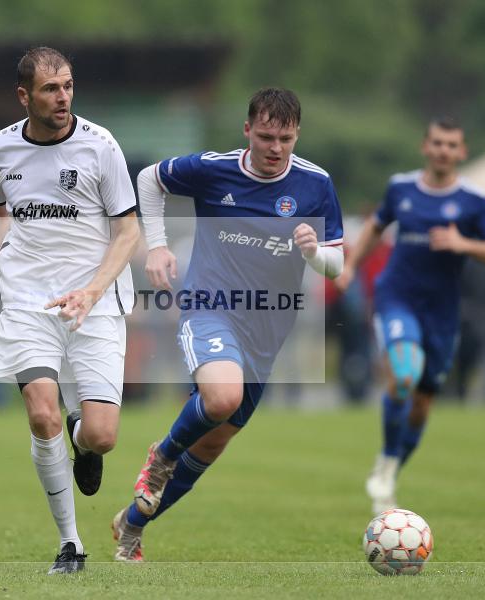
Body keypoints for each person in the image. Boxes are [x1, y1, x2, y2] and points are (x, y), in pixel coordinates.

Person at [112, 88, 345, 562]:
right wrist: (157, 245)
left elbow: (337, 265)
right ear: (247, 130)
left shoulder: (315, 184)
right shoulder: (213, 169)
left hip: (268, 328)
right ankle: (161, 457)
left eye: (285, 139)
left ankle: (132, 525)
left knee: (213, 443)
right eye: (265, 137)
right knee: (221, 398)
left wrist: (314, 252)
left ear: (297, 135)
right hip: (210, 305)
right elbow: (149, 179)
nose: (275, 148)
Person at [0, 47, 140, 574]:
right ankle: (70, 544)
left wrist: (92, 291)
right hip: (28, 299)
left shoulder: (101, 146)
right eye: (50, 89)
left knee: (101, 436)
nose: (63, 97)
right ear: (24, 96)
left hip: (93, 301)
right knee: (41, 413)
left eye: (68, 86)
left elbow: (128, 232)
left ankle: (82, 435)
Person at [335, 117, 485, 513]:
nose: (443, 150)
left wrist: (463, 243)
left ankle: (391, 467)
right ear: (425, 146)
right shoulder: (401, 188)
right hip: (396, 298)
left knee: (420, 405)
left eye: (451, 145)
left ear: (462, 151)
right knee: (403, 375)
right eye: (437, 143)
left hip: (442, 313)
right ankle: (386, 463)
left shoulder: (474, 200)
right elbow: (375, 227)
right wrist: (350, 267)